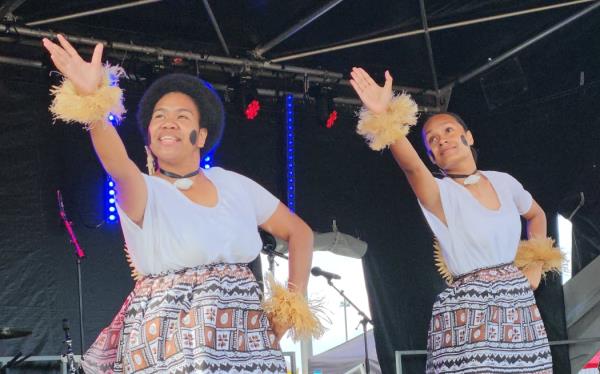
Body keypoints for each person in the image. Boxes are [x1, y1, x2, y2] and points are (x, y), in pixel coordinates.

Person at [43, 34, 317, 374]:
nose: (168, 122)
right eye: (159, 116)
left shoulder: (232, 183)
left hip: (245, 337)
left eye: (182, 116)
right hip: (169, 340)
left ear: (201, 136)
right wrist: (93, 104)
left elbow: (300, 232)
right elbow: (117, 164)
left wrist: (290, 306)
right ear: (150, 134)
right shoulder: (142, 190)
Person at [350, 67, 554, 373]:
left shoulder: (504, 182)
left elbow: (536, 215)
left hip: (519, 305)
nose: (441, 140)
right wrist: (385, 116)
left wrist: (535, 267)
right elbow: (412, 168)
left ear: (467, 137)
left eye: (447, 131)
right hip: (468, 314)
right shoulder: (438, 192)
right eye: (432, 139)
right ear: (431, 156)